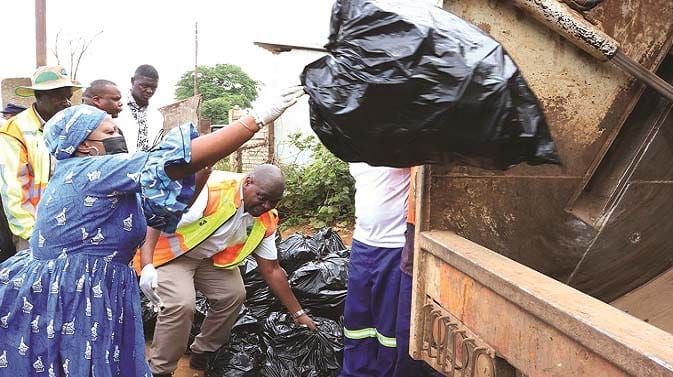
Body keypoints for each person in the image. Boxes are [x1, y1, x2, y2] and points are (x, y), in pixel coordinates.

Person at [0, 85, 304, 376]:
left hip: (91, 280)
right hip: (79, 288)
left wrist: (145, 264)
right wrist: (255, 120)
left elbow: (159, 206)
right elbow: (177, 161)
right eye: (109, 132)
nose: (118, 135)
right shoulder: (92, 170)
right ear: (84, 146)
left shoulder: (100, 177)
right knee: (84, 359)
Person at [135, 165, 316, 377]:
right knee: (180, 303)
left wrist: (298, 314)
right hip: (168, 253)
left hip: (208, 257)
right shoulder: (211, 191)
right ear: (248, 182)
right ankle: (160, 370)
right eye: (262, 197)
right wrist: (147, 264)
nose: (266, 205)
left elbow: (272, 269)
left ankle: (204, 351)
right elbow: (157, 218)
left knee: (233, 294)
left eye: (273, 201)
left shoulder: (265, 219)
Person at [0, 66, 83, 252]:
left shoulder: (68, 126)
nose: (66, 103)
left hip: (68, 228)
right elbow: (12, 190)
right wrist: (32, 233)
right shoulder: (15, 130)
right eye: (59, 96)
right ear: (39, 96)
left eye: (68, 96)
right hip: (34, 230)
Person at [340, 163, 411, 377]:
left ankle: (386, 372)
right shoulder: (356, 148)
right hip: (362, 244)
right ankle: (354, 371)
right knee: (357, 319)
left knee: (388, 324)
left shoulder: (398, 143)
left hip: (395, 246)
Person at [116, 64, 164, 153]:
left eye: (154, 87)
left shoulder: (157, 116)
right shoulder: (115, 109)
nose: (150, 91)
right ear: (132, 81)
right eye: (144, 86)